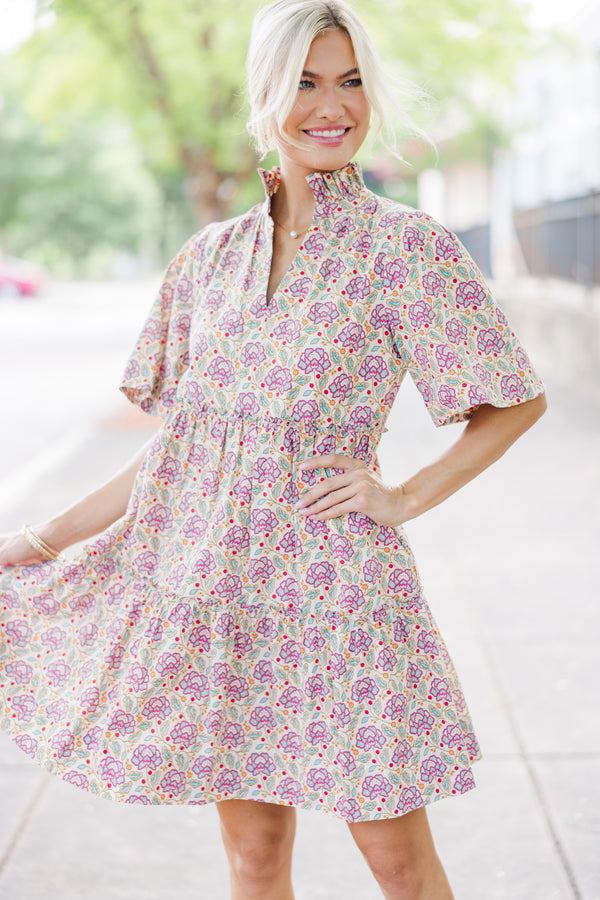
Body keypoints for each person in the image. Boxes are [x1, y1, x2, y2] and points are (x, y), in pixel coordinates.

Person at [0, 1, 546, 897]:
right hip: (224, 600)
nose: (331, 106)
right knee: (254, 858)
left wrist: (402, 496)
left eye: (351, 81)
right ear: (264, 95)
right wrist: (43, 539)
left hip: (339, 603)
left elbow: (512, 404)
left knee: (398, 864)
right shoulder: (209, 259)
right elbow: (184, 454)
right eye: (304, 82)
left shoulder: (406, 249)